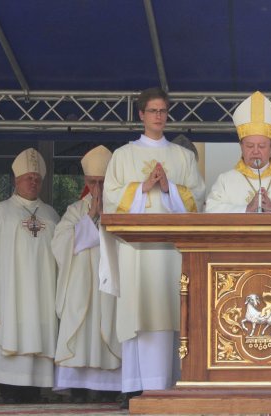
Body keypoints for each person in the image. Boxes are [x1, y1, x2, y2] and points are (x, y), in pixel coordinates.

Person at [99, 87, 206, 408]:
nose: (159, 116)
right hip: (137, 252)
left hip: (171, 252)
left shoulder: (182, 156)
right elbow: (110, 199)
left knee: (168, 312)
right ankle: (134, 385)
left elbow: (198, 199)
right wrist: (142, 188)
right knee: (137, 312)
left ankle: (168, 385)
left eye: (163, 111)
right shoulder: (123, 155)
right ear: (141, 115)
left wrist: (169, 187)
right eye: (153, 111)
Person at [0, 148, 59, 403]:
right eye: (28, 177)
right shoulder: (0, 213)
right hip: (9, 305)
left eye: (37, 178)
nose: (33, 181)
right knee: (10, 391)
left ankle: (34, 395)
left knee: (34, 390)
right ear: (16, 180)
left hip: (42, 303)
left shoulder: (51, 215)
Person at [52, 145, 121, 402]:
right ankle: (77, 388)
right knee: (81, 332)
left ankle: (109, 388)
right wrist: (90, 217)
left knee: (110, 327)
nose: (98, 189)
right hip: (80, 287)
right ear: (85, 181)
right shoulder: (74, 210)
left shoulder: (121, 209)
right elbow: (59, 244)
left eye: (102, 182)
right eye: (93, 182)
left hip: (109, 287)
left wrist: (106, 217)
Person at [205, 91, 271, 213]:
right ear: (241, 146)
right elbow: (210, 210)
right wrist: (246, 209)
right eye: (249, 146)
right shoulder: (225, 180)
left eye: (261, 146)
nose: (255, 151)